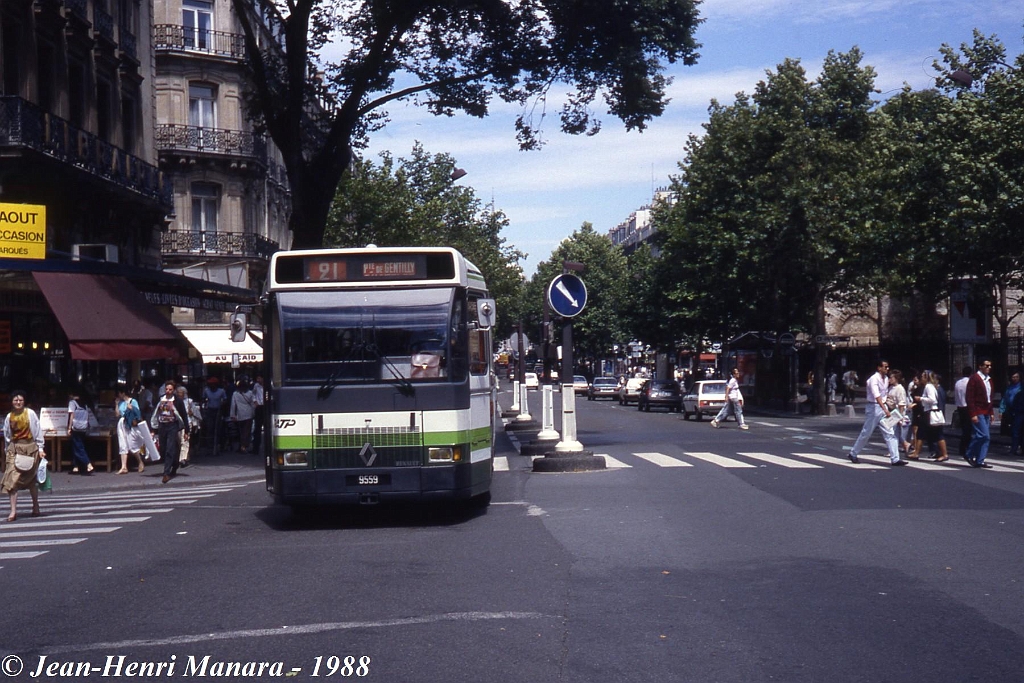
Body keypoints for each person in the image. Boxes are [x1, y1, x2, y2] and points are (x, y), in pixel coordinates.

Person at [847, 359, 904, 466]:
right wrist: (885, 409)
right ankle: (853, 453)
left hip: (882, 407)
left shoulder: (886, 379)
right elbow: (876, 395)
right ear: (879, 368)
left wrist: (887, 406)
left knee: (889, 432)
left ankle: (895, 458)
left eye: (888, 367)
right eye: (885, 367)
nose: (887, 369)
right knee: (866, 432)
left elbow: (884, 394)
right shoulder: (873, 379)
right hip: (874, 408)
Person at [3, 390, 46, 521]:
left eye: (20, 400)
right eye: (15, 400)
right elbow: (7, 435)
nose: (18, 402)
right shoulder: (9, 416)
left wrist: (41, 448)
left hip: (30, 449)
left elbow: (37, 430)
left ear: (24, 401)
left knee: (31, 481)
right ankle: (13, 511)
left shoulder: (30, 414)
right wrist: (7, 450)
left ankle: (35, 505)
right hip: (14, 449)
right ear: (12, 402)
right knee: (11, 480)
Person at [151, 380, 186, 483]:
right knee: (163, 448)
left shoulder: (178, 401)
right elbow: (156, 413)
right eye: (166, 389)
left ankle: (166, 473)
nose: (168, 391)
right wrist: (154, 428)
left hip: (172, 425)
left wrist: (186, 430)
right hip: (162, 426)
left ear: (173, 390)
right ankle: (174, 464)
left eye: (170, 389)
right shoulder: (161, 399)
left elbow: (183, 415)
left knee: (170, 448)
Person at [912, 370, 950, 462]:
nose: (921, 378)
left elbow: (932, 400)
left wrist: (920, 398)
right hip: (930, 412)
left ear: (926, 378)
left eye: (922, 376)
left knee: (934, 434)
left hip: (930, 413)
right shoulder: (932, 386)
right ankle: (916, 452)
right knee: (924, 433)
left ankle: (944, 454)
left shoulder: (928, 386)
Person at [965, 358, 995, 468]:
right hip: (978, 410)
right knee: (983, 434)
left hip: (986, 410)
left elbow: (990, 397)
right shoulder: (975, 379)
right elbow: (970, 398)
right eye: (986, 366)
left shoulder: (989, 379)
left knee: (986, 437)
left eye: (990, 366)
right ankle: (969, 453)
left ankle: (980, 460)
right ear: (980, 366)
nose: (989, 368)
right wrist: (973, 414)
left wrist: (991, 412)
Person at [115, 386, 145, 474]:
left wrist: (131, 408)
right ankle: (124, 466)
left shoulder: (133, 401)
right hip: (122, 423)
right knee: (122, 443)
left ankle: (140, 462)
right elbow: (117, 414)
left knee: (132, 444)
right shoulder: (120, 403)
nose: (118, 396)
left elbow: (137, 413)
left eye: (119, 393)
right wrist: (116, 404)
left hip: (130, 424)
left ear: (123, 393)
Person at [66, 388, 94, 475]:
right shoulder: (84, 403)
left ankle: (88, 464)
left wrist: (69, 428)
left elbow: (71, 416)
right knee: (77, 446)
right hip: (83, 427)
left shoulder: (72, 403)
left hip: (76, 427)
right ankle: (76, 467)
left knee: (79, 447)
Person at [885, 369, 911, 456]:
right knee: (892, 432)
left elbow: (901, 403)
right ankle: (900, 447)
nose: (889, 379)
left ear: (896, 378)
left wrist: (900, 416)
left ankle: (901, 446)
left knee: (893, 433)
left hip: (896, 413)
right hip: (891, 411)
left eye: (891, 377)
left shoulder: (900, 389)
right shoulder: (891, 387)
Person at [229, 379, 255, 453]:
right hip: (249, 414)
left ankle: (242, 446)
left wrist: (232, 415)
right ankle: (245, 446)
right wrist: (254, 413)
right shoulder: (250, 393)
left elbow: (233, 405)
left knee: (241, 432)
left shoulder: (235, 394)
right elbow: (253, 404)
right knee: (247, 431)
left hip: (240, 415)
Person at [176, 386, 199, 468]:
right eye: (178, 394)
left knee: (185, 440)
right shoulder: (175, 402)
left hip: (187, 423)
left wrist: (191, 413)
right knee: (179, 441)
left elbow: (195, 412)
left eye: (181, 394)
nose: (179, 396)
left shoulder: (189, 401)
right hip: (177, 424)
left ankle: (182, 459)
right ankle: (186, 456)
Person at [202, 377, 227, 454]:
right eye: (210, 384)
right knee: (210, 427)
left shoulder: (221, 391)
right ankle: (210, 445)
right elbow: (203, 399)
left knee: (218, 428)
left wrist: (222, 404)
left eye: (213, 384)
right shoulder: (206, 390)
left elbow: (225, 400)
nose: (212, 386)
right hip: (210, 410)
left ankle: (219, 444)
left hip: (218, 411)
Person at [954, 366, 973, 457]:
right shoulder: (970, 382)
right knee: (968, 429)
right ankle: (965, 447)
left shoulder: (957, 383)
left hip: (960, 406)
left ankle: (962, 447)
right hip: (967, 407)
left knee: (964, 429)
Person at [999, 371, 1020, 439]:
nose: (1015, 378)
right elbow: (1004, 400)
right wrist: (1001, 410)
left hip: (1019, 410)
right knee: (1013, 428)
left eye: (1016, 377)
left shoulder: (1021, 387)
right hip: (1010, 410)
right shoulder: (1009, 388)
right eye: (1013, 377)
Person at [251, 375, 265, 454]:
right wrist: (255, 401)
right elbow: (253, 394)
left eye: (259, 378)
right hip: (259, 407)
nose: (258, 380)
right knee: (257, 428)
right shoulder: (256, 386)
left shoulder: (268, 384)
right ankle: (255, 448)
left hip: (266, 407)